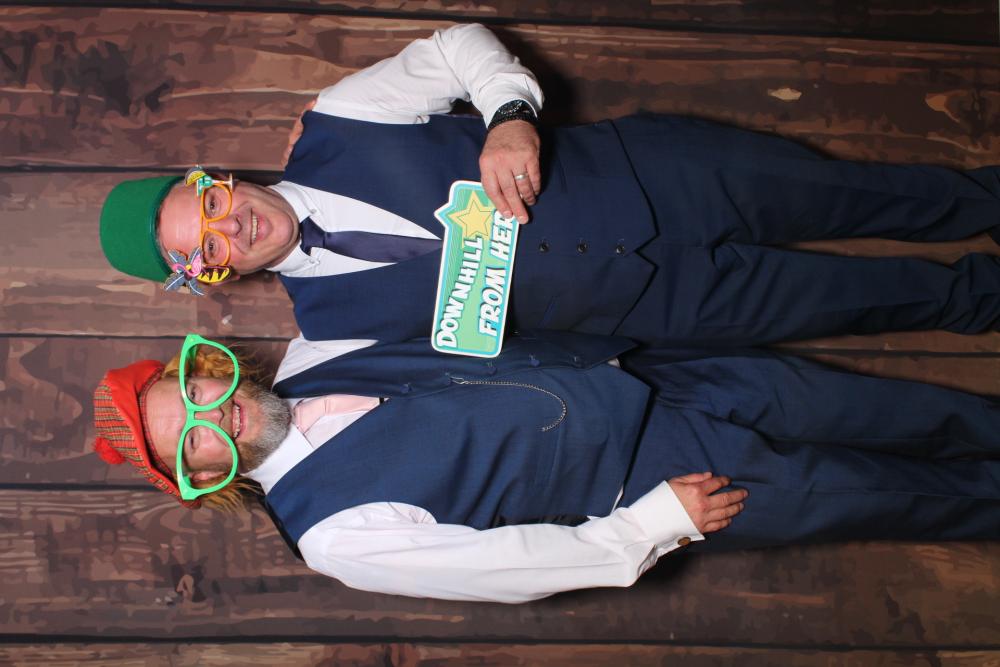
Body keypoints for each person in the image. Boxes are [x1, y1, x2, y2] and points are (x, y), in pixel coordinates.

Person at [99, 23, 1000, 351]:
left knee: (868, 194)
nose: (230, 227)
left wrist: (508, 116)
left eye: (209, 203)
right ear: (209, 279)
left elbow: (455, 47)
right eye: (203, 251)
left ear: (217, 178)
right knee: (863, 300)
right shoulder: (329, 332)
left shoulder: (339, 121)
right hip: (661, 307)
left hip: (662, 176)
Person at [93, 331, 1000, 603]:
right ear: (201, 479)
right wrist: (653, 524)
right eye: (190, 439)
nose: (213, 415)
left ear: (205, 370)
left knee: (895, 408)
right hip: (655, 475)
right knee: (897, 493)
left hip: (659, 373)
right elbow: (510, 566)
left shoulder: (309, 353)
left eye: (194, 394)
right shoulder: (329, 534)